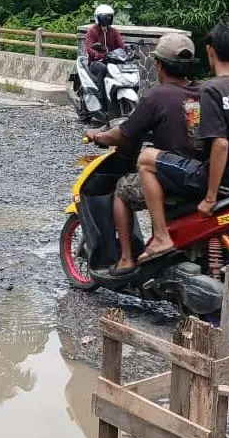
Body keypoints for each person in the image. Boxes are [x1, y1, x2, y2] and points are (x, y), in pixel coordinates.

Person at [137, 18, 229, 262]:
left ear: (209, 51)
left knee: (145, 159)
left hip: (223, 184)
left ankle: (161, 236)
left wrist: (210, 198)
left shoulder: (212, 89)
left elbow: (220, 145)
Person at [84, 33, 200, 277]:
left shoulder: (157, 96)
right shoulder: (201, 92)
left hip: (171, 175)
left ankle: (126, 259)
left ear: (158, 65)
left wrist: (97, 136)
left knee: (122, 189)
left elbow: (123, 134)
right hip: (200, 174)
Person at [84, 4, 125, 101]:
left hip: (110, 60)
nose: (106, 19)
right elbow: (89, 48)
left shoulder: (113, 31)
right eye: (104, 17)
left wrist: (125, 52)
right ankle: (101, 97)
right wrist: (98, 55)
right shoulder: (92, 31)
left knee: (122, 68)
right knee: (102, 68)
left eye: (109, 17)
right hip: (95, 62)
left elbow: (121, 45)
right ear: (98, 17)